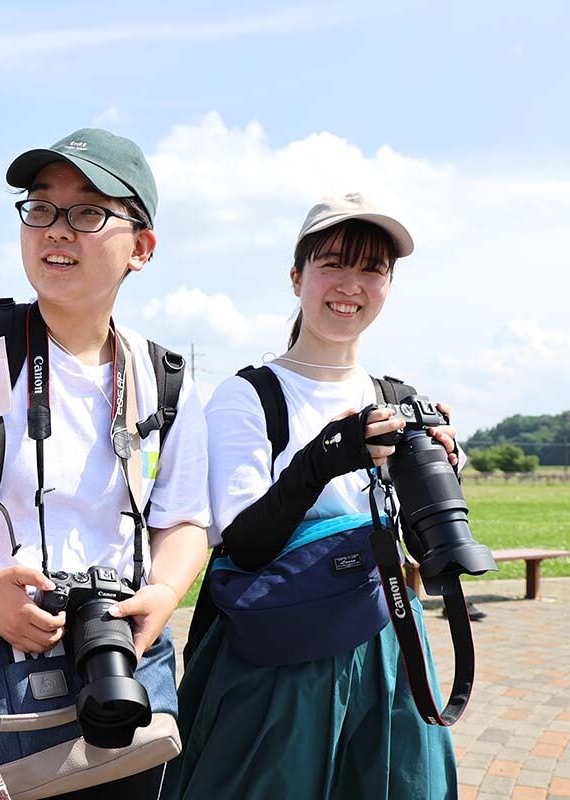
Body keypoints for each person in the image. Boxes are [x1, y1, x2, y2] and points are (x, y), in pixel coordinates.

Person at [0, 128, 211, 798]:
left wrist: (161, 597)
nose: (57, 229)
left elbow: (186, 520)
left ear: (142, 247)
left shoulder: (163, 377)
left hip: (112, 672)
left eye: (87, 212)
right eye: (41, 208)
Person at [166, 194, 460, 799]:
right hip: (276, 651)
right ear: (296, 277)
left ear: (389, 285)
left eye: (373, 269)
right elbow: (244, 543)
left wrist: (440, 473)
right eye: (332, 264)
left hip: (388, 640)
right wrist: (327, 456)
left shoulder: (397, 396)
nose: (350, 285)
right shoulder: (250, 396)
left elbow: (421, 544)